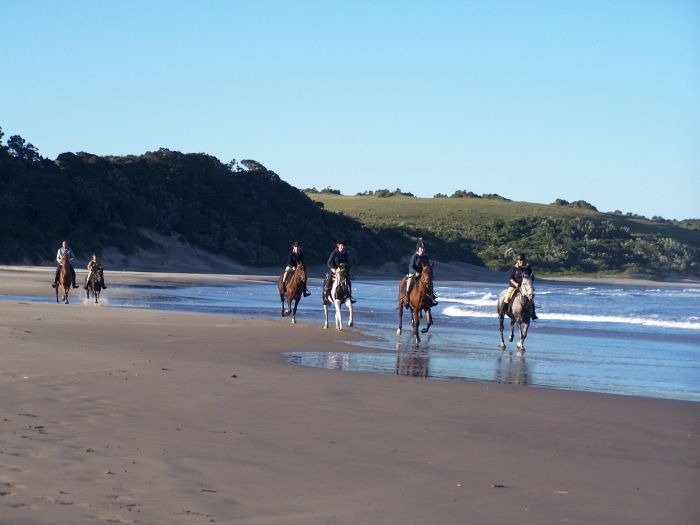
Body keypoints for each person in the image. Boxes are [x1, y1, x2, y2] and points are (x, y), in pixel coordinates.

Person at [504, 253, 538, 319]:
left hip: (525, 287)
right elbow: (510, 278)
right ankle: (503, 311)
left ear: (524, 261)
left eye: (522, 260)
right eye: (519, 260)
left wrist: (531, 278)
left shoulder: (528, 269)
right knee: (507, 297)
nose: (521, 261)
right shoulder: (514, 268)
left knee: (531, 299)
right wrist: (516, 283)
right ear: (517, 261)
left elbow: (532, 278)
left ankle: (533, 314)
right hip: (514, 286)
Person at [404, 241, 438, 308]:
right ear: (418, 248)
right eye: (421, 248)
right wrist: (415, 272)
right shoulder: (414, 256)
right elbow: (410, 266)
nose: (422, 249)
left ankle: (431, 298)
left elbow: (427, 266)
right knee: (408, 283)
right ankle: (407, 300)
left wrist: (430, 269)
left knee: (430, 283)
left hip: (423, 275)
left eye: (423, 248)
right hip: (413, 274)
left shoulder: (426, 257)